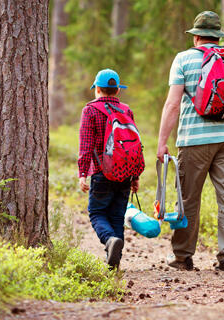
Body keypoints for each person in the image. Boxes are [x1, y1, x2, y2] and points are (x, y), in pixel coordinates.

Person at [156, 11, 224, 272]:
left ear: (196, 38)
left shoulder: (183, 60)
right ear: (218, 37)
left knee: (189, 199)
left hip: (193, 140)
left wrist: (162, 142)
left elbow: (172, 105)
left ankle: (182, 257)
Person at [78, 69, 141, 270]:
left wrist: (82, 174)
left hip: (101, 172)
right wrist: (135, 176)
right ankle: (114, 263)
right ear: (117, 91)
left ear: (97, 89)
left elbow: (86, 145)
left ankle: (109, 240)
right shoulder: (126, 110)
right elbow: (134, 146)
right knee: (116, 215)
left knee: (96, 212)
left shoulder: (90, 110)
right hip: (125, 172)